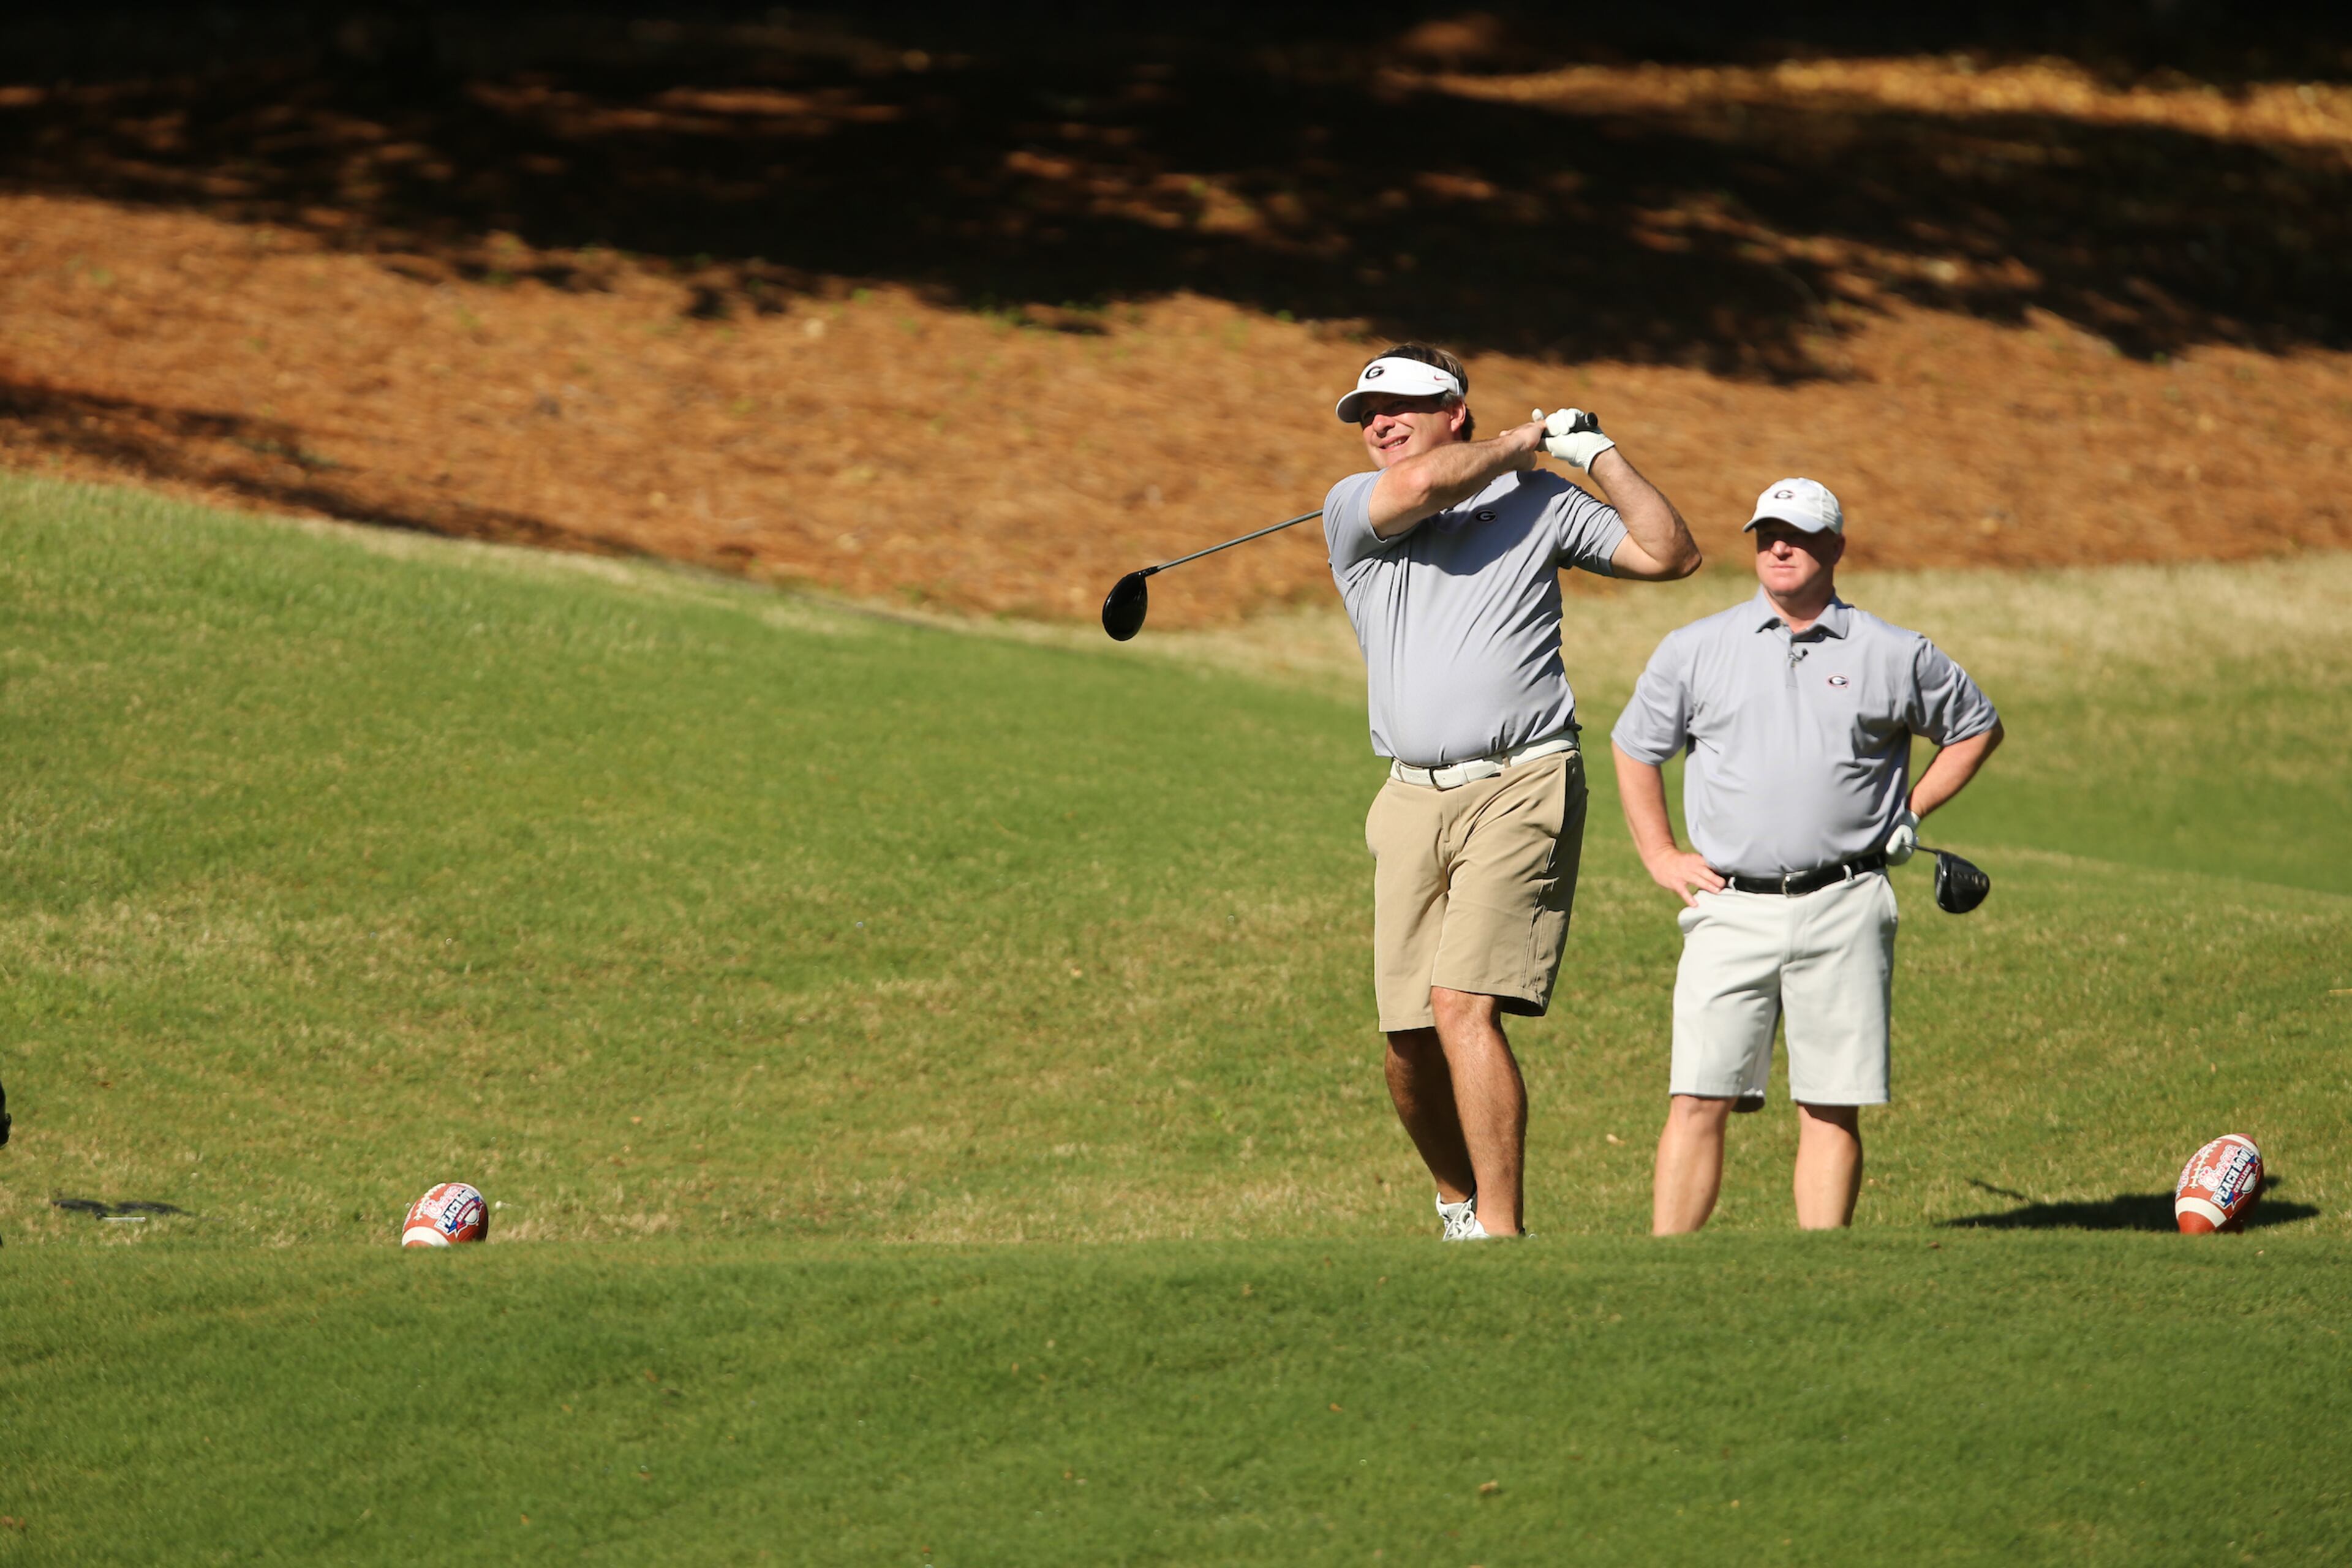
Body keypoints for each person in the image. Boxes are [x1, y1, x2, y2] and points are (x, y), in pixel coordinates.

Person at [1324, 344, 1703, 1240]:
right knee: (1408, 1043)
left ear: (1454, 409)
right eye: (1366, 410)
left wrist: (1594, 453)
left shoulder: (1538, 503)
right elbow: (1420, 491)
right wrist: (1521, 439)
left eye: (1400, 404)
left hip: (1523, 780)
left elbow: (1669, 554)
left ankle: (1502, 1235)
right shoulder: (1354, 507)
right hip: (1410, 799)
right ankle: (1457, 1201)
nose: (1377, 421)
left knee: (1463, 1007)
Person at [1609, 478, 2003, 1233]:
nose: (1780, 547)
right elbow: (1636, 748)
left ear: (1836, 548)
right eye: (1766, 534)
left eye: (1798, 534)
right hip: (1730, 905)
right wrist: (1660, 854)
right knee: (1697, 1095)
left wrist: (1911, 811)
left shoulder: (1893, 653)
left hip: (1846, 901)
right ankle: (1666, 1268)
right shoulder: (1697, 648)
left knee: (1830, 1101)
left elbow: (1976, 727)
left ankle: (1819, 1270)